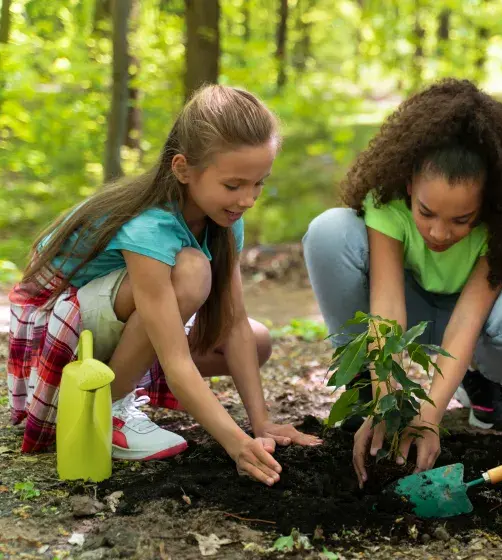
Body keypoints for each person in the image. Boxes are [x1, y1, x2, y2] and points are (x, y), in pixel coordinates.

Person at [7, 84, 321, 486]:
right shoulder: (150, 226)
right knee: (191, 271)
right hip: (54, 328)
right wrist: (235, 442)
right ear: (183, 169)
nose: (248, 199)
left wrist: (261, 424)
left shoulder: (224, 219)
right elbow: (175, 362)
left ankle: (119, 388)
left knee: (257, 340)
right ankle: (106, 410)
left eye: (258, 183)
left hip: (105, 320)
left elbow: (235, 323)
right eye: (234, 185)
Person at [302, 79, 502, 487]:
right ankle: (365, 382)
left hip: (470, 326)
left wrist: (429, 416)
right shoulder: (388, 202)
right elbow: (386, 304)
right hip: (410, 305)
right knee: (329, 230)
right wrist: (389, 401)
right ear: (409, 187)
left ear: (487, 204)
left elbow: (467, 319)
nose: (439, 233)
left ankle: (481, 379)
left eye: (461, 220)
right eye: (426, 213)